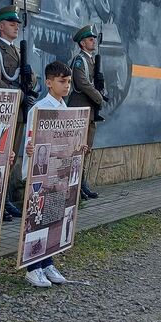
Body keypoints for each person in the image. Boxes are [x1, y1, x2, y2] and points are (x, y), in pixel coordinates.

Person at [21, 60, 83, 287]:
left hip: (58, 175)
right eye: (61, 81)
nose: (66, 86)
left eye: (68, 82)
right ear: (49, 83)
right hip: (40, 176)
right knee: (36, 220)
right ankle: (32, 268)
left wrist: (78, 148)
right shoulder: (39, 109)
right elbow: (31, 139)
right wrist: (30, 148)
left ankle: (47, 262)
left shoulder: (66, 110)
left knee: (52, 219)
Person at [0, 5, 33, 220]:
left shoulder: (18, 51)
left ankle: (4, 199)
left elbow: (28, 77)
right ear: (1, 26)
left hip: (18, 115)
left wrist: (32, 78)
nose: (16, 26)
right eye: (12, 23)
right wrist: (20, 95)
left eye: (18, 23)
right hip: (2, 115)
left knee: (10, 160)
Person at [68, 24, 103, 199]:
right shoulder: (80, 60)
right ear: (82, 43)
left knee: (86, 149)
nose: (93, 41)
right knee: (78, 148)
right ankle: (75, 185)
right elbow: (82, 83)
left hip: (90, 111)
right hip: (80, 108)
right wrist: (99, 97)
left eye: (94, 38)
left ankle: (82, 183)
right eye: (90, 39)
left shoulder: (92, 60)